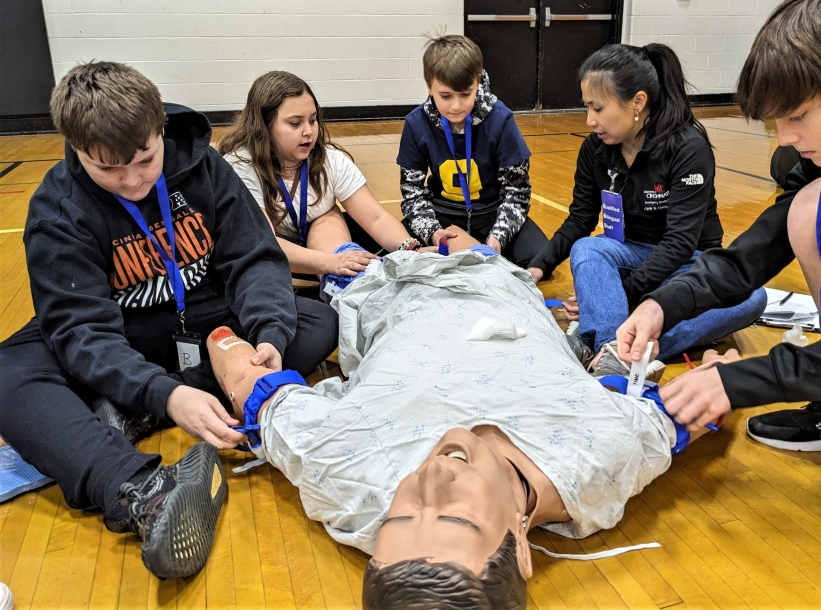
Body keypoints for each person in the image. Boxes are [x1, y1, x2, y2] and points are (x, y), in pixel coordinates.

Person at [205, 240, 726, 607]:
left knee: (331, 230)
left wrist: (234, 350)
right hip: (498, 274)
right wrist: (716, 381)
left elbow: (236, 365)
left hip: (383, 280)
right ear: (521, 548)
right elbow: (694, 408)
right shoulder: (601, 459)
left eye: (400, 519)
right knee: (740, 302)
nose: (430, 480)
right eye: (455, 519)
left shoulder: (349, 478)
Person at [0, 62, 338, 578]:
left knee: (312, 323)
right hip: (117, 330)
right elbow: (81, 330)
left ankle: (129, 406)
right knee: (9, 377)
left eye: (145, 160)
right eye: (108, 169)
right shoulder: (58, 208)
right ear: (75, 148)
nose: (132, 181)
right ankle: (141, 489)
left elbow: (253, 258)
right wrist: (169, 393)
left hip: (199, 320)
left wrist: (269, 333)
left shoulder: (204, 166)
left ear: (160, 130)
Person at [616, 0, 821, 531]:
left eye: (797, 116)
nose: (785, 138)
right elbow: (755, 250)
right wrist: (664, 304)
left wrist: (735, 382)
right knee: (810, 210)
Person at [526, 43, 766, 376]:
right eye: (586, 108)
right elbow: (582, 218)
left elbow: (681, 244)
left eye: (597, 108)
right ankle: (617, 351)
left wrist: (621, 295)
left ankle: (609, 346)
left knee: (752, 296)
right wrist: (537, 268)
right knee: (589, 248)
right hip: (632, 255)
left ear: (638, 102)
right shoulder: (594, 148)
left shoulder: (688, 147)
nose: (589, 119)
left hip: (690, 262)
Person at [219, 71, 453, 291]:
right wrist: (332, 262)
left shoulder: (330, 160)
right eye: (294, 123)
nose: (308, 131)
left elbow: (375, 217)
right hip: (263, 256)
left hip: (317, 250)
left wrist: (410, 249)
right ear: (264, 127)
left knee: (327, 216)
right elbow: (265, 244)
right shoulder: (241, 167)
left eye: (312, 120)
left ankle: (347, 287)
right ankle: (337, 277)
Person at [397, 34, 549, 268]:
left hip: (492, 212)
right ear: (429, 87)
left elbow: (517, 190)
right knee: (399, 251)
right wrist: (433, 233)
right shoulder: (416, 124)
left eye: (465, 94)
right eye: (445, 96)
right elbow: (412, 194)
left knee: (539, 258)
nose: (456, 106)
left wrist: (499, 235)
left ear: (477, 82)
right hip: (441, 213)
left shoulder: (501, 120)